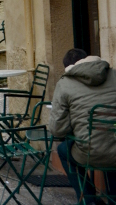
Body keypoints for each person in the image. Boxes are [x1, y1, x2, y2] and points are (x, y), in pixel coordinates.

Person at [49, 48, 116, 202]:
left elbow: (57, 130)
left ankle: (89, 197)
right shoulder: (113, 74)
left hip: (89, 153)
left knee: (63, 150)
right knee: (110, 140)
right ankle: (113, 196)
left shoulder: (65, 83)